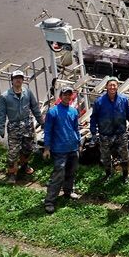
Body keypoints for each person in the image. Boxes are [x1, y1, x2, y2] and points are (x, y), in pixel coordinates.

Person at [0, 70, 43, 183]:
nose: (18, 80)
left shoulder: (27, 92)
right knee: (13, 151)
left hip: (27, 125)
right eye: (16, 78)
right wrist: (1, 128)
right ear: (12, 80)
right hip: (14, 127)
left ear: (23, 80)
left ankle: (24, 165)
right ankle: (12, 173)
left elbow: (35, 107)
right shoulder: (5, 96)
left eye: (20, 78)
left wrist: (41, 121)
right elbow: (2, 114)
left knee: (28, 148)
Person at [42, 86, 81, 214]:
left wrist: (79, 142)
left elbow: (76, 128)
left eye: (69, 95)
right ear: (60, 96)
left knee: (71, 172)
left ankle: (68, 192)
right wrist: (47, 148)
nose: (67, 97)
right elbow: (47, 131)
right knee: (58, 175)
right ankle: (49, 201)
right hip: (59, 150)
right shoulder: (53, 112)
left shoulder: (74, 111)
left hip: (73, 148)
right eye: (65, 94)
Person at [89, 79, 129, 181]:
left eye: (114, 85)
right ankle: (108, 174)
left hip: (120, 134)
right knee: (105, 157)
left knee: (124, 156)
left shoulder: (124, 100)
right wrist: (93, 132)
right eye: (110, 85)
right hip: (105, 134)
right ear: (106, 87)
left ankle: (125, 175)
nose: (112, 87)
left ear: (117, 86)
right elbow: (93, 117)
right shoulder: (99, 101)